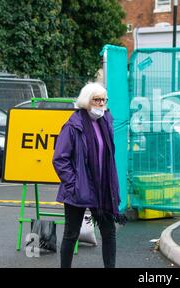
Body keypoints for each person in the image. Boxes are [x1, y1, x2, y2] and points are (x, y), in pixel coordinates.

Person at [53, 82, 126, 268]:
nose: (101, 103)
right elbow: (60, 159)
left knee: (109, 232)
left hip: (103, 189)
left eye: (104, 100)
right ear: (87, 101)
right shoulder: (73, 125)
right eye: (97, 99)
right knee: (71, 234)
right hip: (79, 189)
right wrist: (74, 184)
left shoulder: (106, 121)